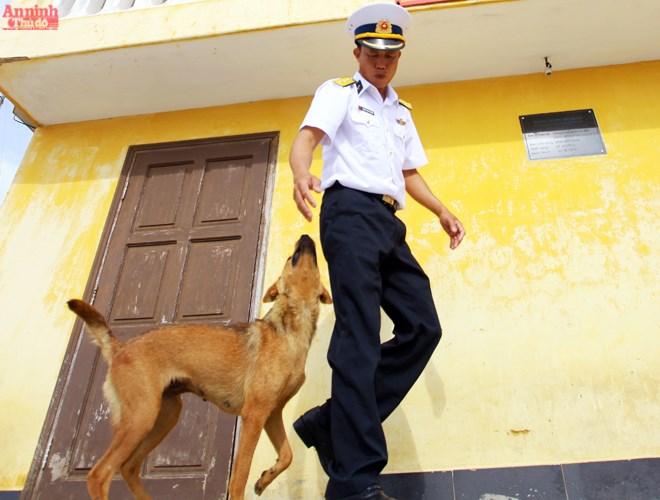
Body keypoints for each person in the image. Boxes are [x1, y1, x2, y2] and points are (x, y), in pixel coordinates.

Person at [288, 3, 465, 499]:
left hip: (388, 222)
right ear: (357, 53)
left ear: (399, 56)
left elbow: (408, 173)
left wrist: (440, 210)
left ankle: (332, 422)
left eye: (390, 54)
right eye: (373, 54)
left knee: (423, 327)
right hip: (348, 214)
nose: (381, 62)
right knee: (360, 337)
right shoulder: (339, 93)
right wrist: (300, 173)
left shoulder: (400, 112)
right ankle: (353, 481)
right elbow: (307, 138)